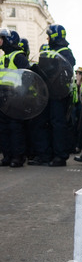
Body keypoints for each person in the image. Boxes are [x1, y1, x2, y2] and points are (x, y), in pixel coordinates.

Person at [45, 24, 76, 167]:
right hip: (51, 93)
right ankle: (53, 153)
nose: (47, 38)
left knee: (59, 124)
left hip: (59, 94)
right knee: (53, 123)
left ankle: (60, 156)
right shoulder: (53, 51)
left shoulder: (65, 52)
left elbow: (67, 68)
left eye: (49, 36)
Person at [0, 29, 31, 168]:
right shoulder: (2, 58)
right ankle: (7, 156)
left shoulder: (19, 56)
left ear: (8, 40)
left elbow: (27, 76)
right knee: (3, 128)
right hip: (2, 97)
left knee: (15, 128)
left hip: (15, 97)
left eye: (1, 38)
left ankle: (18, 157)